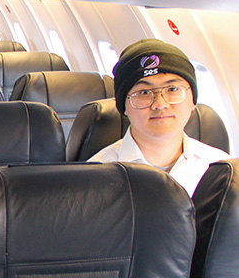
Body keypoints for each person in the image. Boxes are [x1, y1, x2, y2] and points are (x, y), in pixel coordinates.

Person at [89, 38, 228, 195]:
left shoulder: (222, 171)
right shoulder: (94, 175)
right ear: (124, 106)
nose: (160, 104)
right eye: (144, 92)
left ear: (193, 100)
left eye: (173, 89)